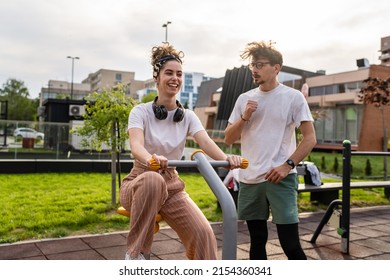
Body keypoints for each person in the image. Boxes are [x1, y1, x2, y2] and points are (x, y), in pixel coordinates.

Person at [120, 43, 244, 260]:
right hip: (139, 181)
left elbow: (205, 143)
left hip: (171, 186)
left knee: (203, 234)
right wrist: (151, 159)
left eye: (179, 74)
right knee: (153, 181)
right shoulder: (140, 112)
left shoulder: (186, 116)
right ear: (156, 77)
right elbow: (136, 146)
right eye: (168, 73)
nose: (174, 78)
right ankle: (135, 255)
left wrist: (227, 159)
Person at [224, 41, 317, 260]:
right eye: (252, 66)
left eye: (259, 65)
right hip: (250, 178)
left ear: (276, 68)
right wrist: (245, 116)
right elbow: (228, 138)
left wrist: (288, 165)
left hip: (280, 178)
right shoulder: (244, 99)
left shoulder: (293, 97)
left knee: (290, 244)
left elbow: (310, 138)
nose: (254, 70)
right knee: (256, 241)